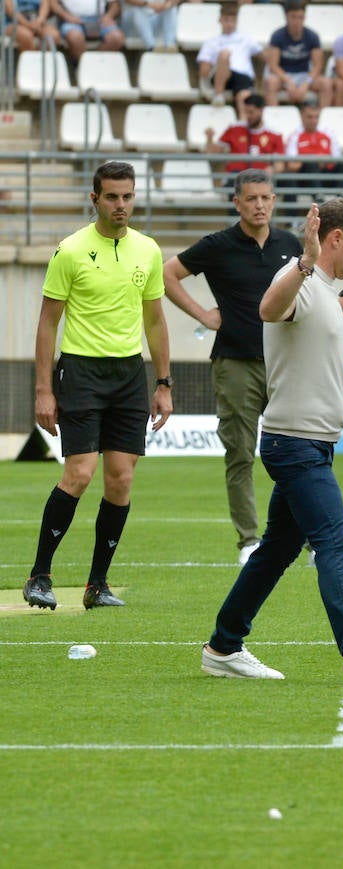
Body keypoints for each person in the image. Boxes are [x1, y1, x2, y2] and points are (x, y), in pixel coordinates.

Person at [200, 198, 343, 685]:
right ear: (335, 239)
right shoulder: (298, 277)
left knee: (276, 552)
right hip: (294, 444)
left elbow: (316, 331)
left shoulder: (326, 289)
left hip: (314, 443)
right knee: (334, 541)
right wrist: (304, 261)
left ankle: (223, 646)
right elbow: (269, 310)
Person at [22, 161, 172, 612]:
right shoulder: (69, 250)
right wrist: (43, 390)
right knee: (80, 473)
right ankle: (39, 575)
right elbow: (48, 323)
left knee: (121, 481)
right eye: (112, 196)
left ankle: (97, 586)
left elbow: (155, 320)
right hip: (81, 373)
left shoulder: (148, 250)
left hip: (129, 375)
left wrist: (162, 383)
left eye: (127, 196)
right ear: (95, 199)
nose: (121, 205)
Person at [161, 170, 301, 564]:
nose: (259, 205)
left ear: (274, 201)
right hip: (235, 363)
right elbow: (168, 273)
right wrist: (203, 314)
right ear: (237, 203)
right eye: (251, 198)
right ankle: (249, 541)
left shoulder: (291, 245)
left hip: (285, 364)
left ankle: (306, 540)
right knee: (240, 453)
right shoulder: (218, 245)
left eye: (266, 198)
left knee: (298, 452)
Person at [205, 93, 286, 188]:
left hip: (261, 181)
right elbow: (213, 152)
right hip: (236, 180)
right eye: (246, 112)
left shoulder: (274, 134)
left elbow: (280, 164)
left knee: (287, 183)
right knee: (234, 179)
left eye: (251, 112)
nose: (248, 116)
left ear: (261, 110)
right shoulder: (234, 128)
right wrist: (209, 137)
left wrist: (272, 169)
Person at [196, 4, 262, 114]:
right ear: (220, 20)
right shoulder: (211, 41)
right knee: (225, 54)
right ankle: (218, 95)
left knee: (244, 98)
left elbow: (264, 55)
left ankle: (242, 125)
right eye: (226, 20)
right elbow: (204, 70)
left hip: (242, 76)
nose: (229, 24)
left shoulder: (245, 38)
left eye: (232, 20)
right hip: (221, 75)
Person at [264, 0, 329, 107]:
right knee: (271, 83)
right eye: (293, 17)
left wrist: (306, 84)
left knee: (326, 83)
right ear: (286, 17)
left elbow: (318, 66)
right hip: (283, 75)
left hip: (304, 74)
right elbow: (273, 66)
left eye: (300, 17)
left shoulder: (312, 36)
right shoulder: (277, 36)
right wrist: (288, 82)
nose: (297, 21)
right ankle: (273, 116)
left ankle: (321, 118)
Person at [281, 100, 343, 201]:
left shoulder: (329, 134)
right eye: (310, 117)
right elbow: (292, 166)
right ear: (302, 116)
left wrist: (323, 160)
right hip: (305, 178)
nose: (314, 121)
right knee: (311, 162)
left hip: (327, 174)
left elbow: (338, 158)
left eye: (316, 117)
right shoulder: (294, 136)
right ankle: (318, 196)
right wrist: (311, 159)